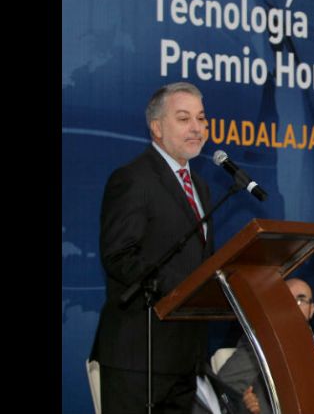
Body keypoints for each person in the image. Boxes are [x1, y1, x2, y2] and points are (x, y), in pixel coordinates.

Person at [90, 82, 214, 413]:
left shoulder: (200, 186)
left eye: (201, 118)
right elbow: (119, 255)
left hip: (185, 357)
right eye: (184, 118)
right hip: (139, 352)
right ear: (157, 127)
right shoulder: (133, 178)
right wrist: (179, 287)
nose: (197, 128)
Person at [217, 278, 314, 414]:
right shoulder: (260, 345)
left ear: (312, 310)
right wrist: (245, 406)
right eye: (285, 299)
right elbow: (224, 387)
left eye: (301, 300)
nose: (292, 305)